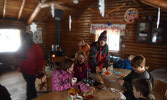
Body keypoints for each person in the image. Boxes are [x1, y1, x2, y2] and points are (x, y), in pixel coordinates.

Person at [16, 32, 44, 100]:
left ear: (28, 39)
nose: (24, 40)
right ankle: (34, 96)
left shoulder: (35, 47)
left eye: (24, 39)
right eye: (23, 39)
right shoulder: (22, 46)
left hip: (32, 71)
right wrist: (21, 47)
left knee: (29, 85)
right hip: (23, 70)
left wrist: (40, 69)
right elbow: (16, 55)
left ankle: (29, 97)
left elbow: (40, 59)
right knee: (31, 85)